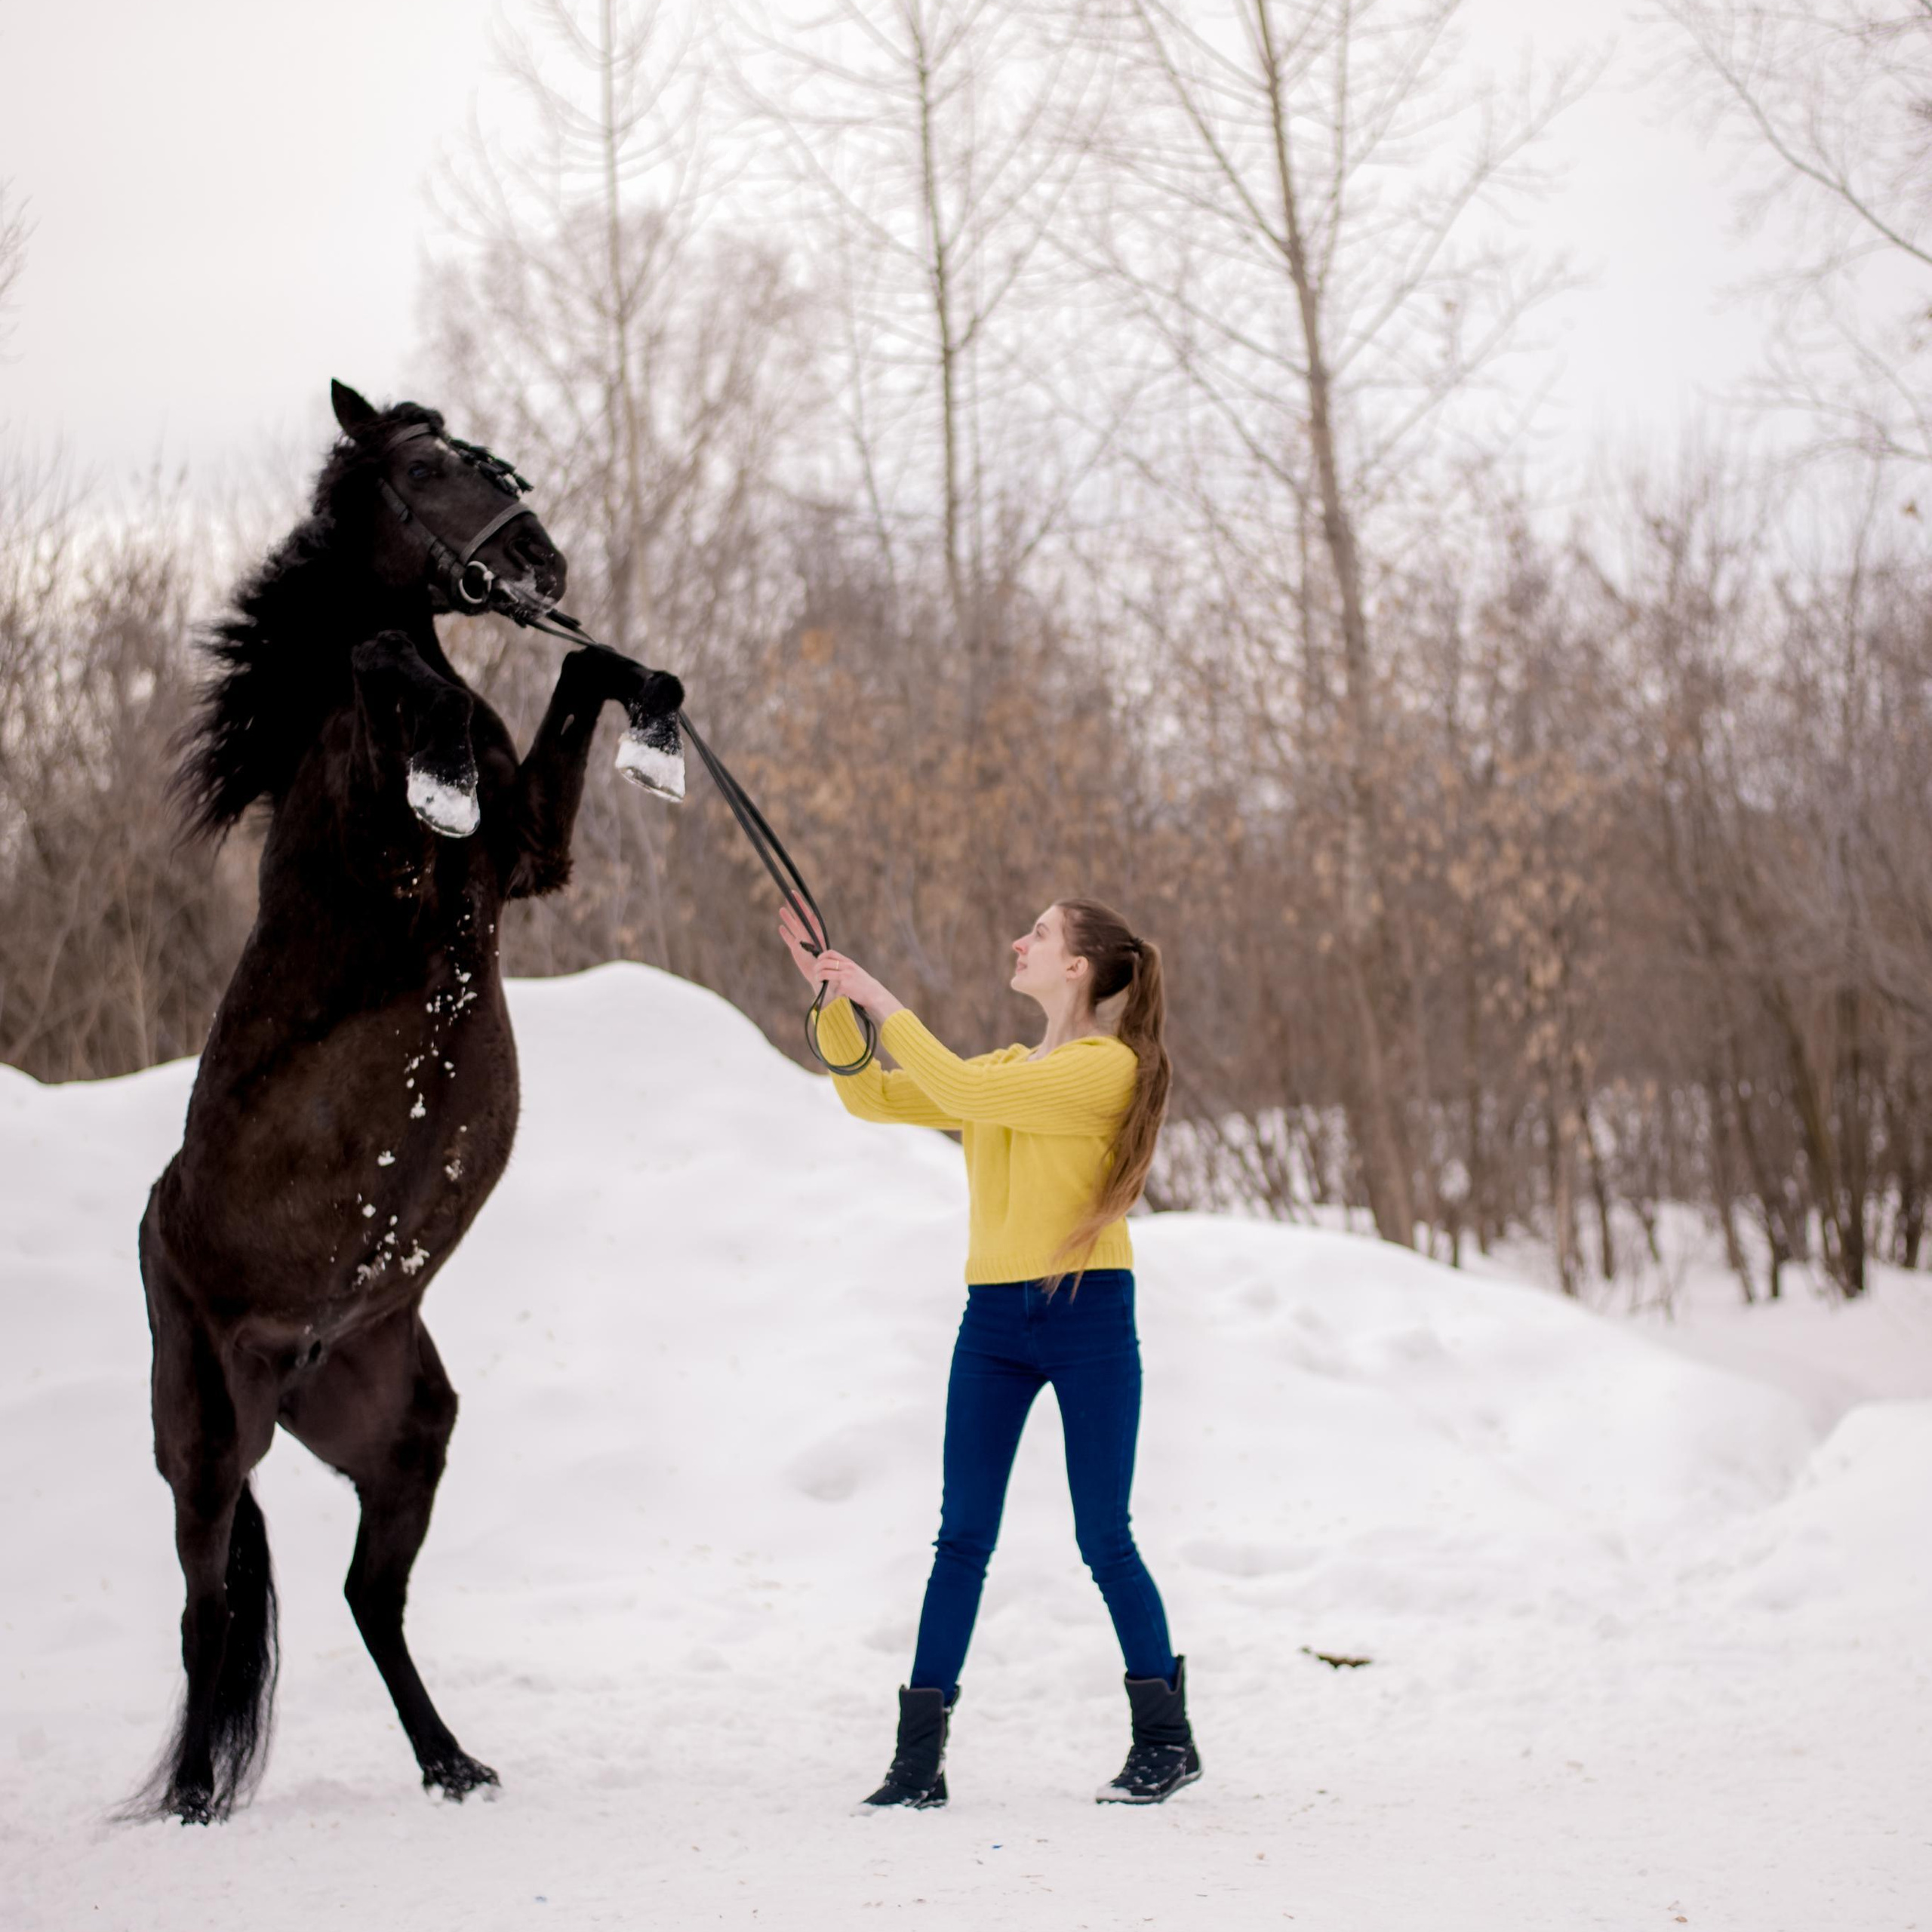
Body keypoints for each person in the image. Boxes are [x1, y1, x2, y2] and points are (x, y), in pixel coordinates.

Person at [777, 897, 1200, 1809]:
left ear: (1080, 966)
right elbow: (869, 1093)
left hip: (1087, 1314)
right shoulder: (1011, 1068)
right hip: (994, 1322)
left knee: (1103, 1536)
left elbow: (964, 1095)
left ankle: (1165, 1740)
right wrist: (831, 992)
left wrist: (878, 993)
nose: (1018, 942)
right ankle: (916, 1763)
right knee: (960, 1536)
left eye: (1039, 934)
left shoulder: (1103, 1069)